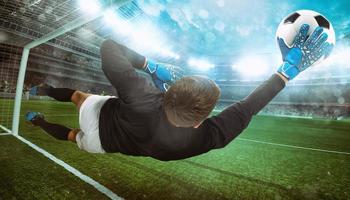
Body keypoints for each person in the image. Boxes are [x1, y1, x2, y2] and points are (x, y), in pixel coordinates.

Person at [26, 24, 333, 161]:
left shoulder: (143, 94)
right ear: (199, 122)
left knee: (78, 97)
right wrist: (284, 73)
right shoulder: (203, 139)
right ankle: (38, 121)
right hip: (102, 144)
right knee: (70, 137)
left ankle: (45, 90)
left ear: (169, 93)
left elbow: (109, 46)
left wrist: (148, 64)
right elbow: (248, 107)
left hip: (105, 113)